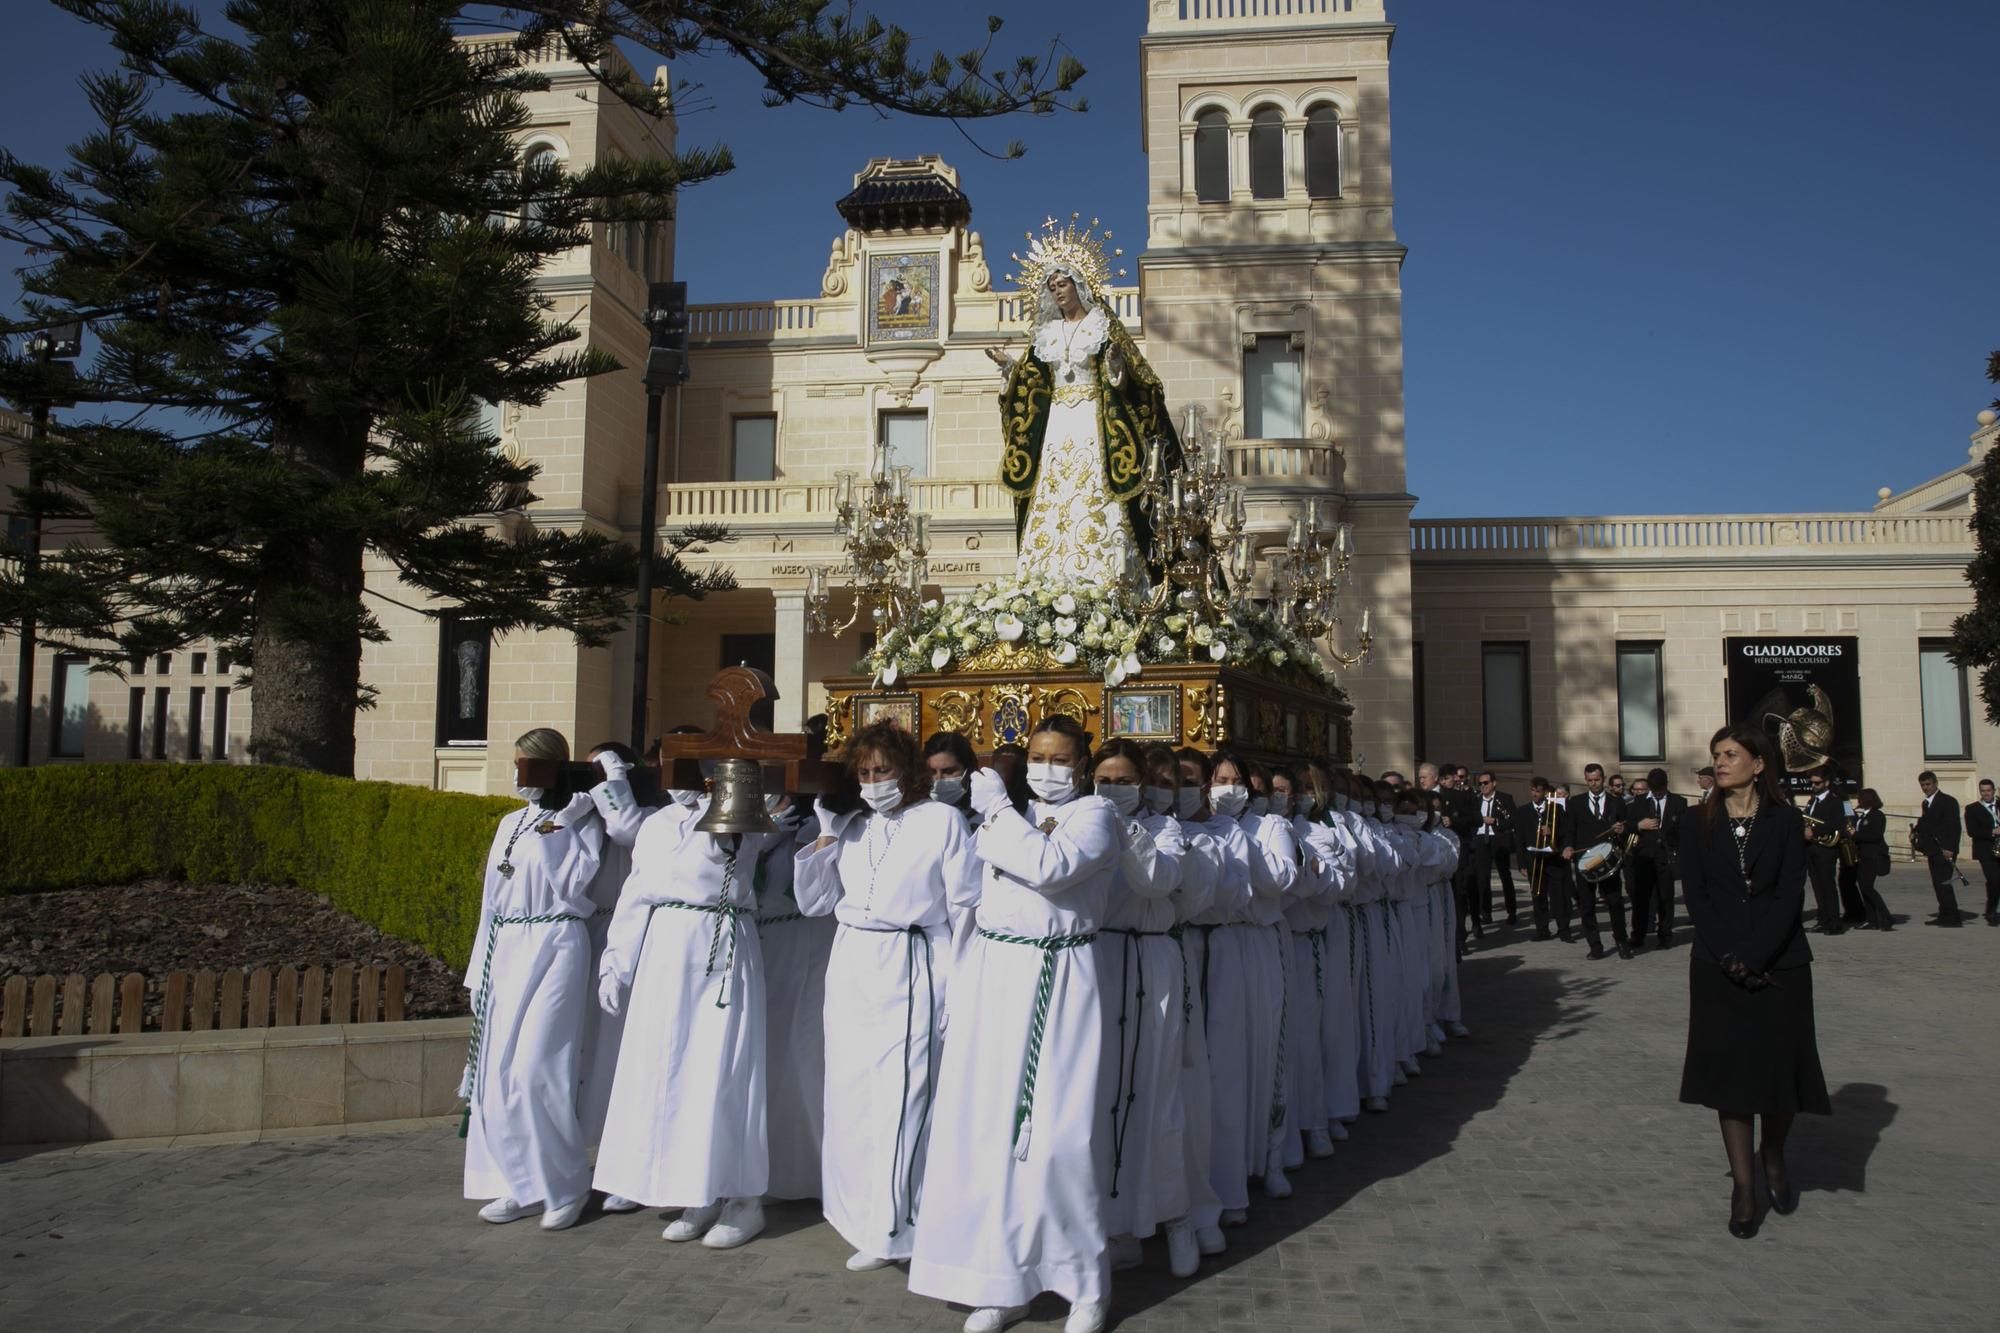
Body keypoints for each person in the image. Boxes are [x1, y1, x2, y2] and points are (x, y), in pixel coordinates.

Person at [908, 715, 1119, 1333]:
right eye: (1036, 756)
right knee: (989, 1130)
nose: (1045, 768)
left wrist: (997, 810)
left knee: (1057, 1135)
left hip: (1058, 974)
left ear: (1080, 764)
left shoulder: (1095, 816)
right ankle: (1001, 1278)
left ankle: (1083, 1282)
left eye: (1059, 758)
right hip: (996, 969)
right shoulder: (1008, 817)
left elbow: (1050, 868)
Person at [794, 721, 979, 1272]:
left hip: (913, 959)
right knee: (852, 1094)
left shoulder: (941, 820)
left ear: (908, 770)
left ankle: (900, 1223)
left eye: (885, 769)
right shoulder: (852, 827)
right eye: (866, 772)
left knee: (906, 1093)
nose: (875, 780)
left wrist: (958, 985)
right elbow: (814, 902)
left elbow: (965, 905)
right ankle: (859, 1213)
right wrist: (825, 838)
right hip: (853, 962)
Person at [593, 759, 776, 1248]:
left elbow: (737, 841)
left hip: (719, 944)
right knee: (669, 1070)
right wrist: (618, 961)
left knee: (722, 1070)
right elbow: (636, 893)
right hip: (665, 952)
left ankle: (742, 1196)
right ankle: (697, 1191)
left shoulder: (734, 814)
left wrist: (725, 789)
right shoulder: (656, 825)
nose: (679, 787)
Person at [1679, 723, 1831, 1239]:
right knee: (1732, 1077)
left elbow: (1791, 895)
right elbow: (1697, 897)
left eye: (1730, 754)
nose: (1720, 763)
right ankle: (1744, 1188)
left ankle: (1774, 1152)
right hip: (1716, 965)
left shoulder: (1787, 821)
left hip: (1780, 963)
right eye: (1715, 754)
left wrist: (1757, 954)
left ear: (1758, 764)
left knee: (1779, 1074)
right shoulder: (1694, 820)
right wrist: (1728, 954)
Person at [462, 728, 604, 1231]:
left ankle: (564, 1184)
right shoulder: (509, 823)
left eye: (527, 765)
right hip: (508, 949)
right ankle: (518, 1182)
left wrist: (562, 824)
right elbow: (490, 903)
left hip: (557, 942)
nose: (519, 774)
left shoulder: (581, 820)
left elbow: (570, 884)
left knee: (536, 1070)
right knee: (497, 1078)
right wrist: (478, 972)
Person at [986, 246, 1181, 585]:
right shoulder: (1045, 336)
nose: (1058, 291)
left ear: (1079, 284)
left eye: (1063, 284)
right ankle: (1047, 577)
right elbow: (1033, 383)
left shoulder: (1102, 327)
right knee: (1053, 493)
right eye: (1052, 287)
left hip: (1094, 422)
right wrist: (1009, 369)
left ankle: (1106, 572)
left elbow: (1137, 379)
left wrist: (1117, 366)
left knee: (1096, 490)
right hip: (1057, 425)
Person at [1086, 739, 1193, 1278]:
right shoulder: (1077, 822)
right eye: (1104, 780)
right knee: (1100, 1093)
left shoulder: (1162, 829)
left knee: (1153, 1088)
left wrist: (1122, 827)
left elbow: (1158, 881)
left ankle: (1170, 1214)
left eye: (1125, 781)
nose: (1113, 790)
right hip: (1095, 959)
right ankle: (1106, 1221)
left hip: (1149, 957)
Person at [577, 742, 650, 1215]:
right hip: (579, 937)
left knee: (617, 1057)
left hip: (623, 936)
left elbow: (625, 830)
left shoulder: (646, 817)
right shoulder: (576, 815)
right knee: (583, 1057)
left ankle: (625, 1161)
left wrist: (616, 781)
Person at [752, 790, 828, 1203]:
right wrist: (763, 834)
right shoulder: (755, 818)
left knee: (798, 1053)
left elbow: (807, 890)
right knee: (765, 1057)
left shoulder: (811, 822)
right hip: (760, 940)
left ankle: (806, 1169)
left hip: (801, 939)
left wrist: (797, 838)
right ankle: (766, 1163)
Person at [1560, 763, 1631, 959]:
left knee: (1615, 901)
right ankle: (1595, 946)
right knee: (1587, 904)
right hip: (1585, 860)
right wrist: (1567, 846)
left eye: (1597, 780)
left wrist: (1621, 830)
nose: (1593, 784)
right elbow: (1569, 830)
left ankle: (1621, 941)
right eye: (1590, 780)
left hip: (1609, 859)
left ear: (1603, 778)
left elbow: (1626, 827)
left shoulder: (1617, 802)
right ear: (1586, 780)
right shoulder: (1575, 803)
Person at [1628, 767, 1684, 948]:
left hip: (1666, 856)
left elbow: (1683, 831)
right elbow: (1625, 825)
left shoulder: (1678, 802)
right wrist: (1639, 825)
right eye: (1654, 790)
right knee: (1641, 897)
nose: (1657, 793)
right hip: (1644, 856)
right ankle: (1638, 934)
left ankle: (1665, 934)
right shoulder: (1638, 802)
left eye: (1660, 790)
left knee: (1666, 897)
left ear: (1666, 786)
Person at [1911, 771, 1965, 926]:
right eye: (1922, 785)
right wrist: (1915, 832)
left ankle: (1953, 917)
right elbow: (1926, 822)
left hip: (1944, 849)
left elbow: (1954, 827)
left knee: (1944, 883)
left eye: (1928, 784)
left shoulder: (1948, 801)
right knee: (1937, 883)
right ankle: (1944, 914)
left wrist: (1950, 848)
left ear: (1935, 783)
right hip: (1932, 849)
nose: (1925, 788)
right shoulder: (1926, 803)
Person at [1513, 777, 1564, 941]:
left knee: (1558, 897)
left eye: (1538, 791)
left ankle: (1564, 929)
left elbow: (1565, 833)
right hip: (1533, 859)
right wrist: (1521, 863)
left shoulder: (1555, 809)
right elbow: (1519, 839)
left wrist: (1552, 834)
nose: (1534, 794)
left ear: (1545, 792)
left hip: (1553, 858)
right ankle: (1542, 930)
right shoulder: (1522, 811)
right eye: (1532, 790)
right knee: (1538, 896)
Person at [1466, 771, 1517, 933]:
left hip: (1498, 839)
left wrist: (1495, 821)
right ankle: (1485, 912)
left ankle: (1512, 911)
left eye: (1486, 783)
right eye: (1480, 783)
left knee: (1505, 876)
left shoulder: (1505, 798)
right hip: (1481, 840)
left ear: (1494, 783)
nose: (1483, 786)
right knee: (1482, 877)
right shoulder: (1476, 799)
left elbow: (1513, 820)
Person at [1800, 770, 1847, 935]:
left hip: (1825, 849)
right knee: (1817, 886)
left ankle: (1834, 922)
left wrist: (1814, 831)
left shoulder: (1834, 801)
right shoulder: (1812, 801)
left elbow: (1836, 823)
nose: (1813, 786)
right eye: (1812, 783)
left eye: (1817, 783)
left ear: (1826, 783)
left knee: (1827, 885)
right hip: (1811, 848)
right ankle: (1823, 919)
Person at [1848, 788, 1896, 931]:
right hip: (1863, 856)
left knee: (1868, 887)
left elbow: (1875, 836)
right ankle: (1871, 920)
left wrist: (1855, 835)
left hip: (1873, 856)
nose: (1858, 801)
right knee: (1863, 887)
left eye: (1860, 799)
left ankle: (1886, 916)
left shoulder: (1877, 815)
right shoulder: (1863, 816)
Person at [924, 730, 980, 825]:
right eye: (932, 772)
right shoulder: (917, 815)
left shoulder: (986, 817)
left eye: (948, 772)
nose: (938, 779)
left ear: (968, 771)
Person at [1965, 777, 2000, 924]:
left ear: (1994, 791)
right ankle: (1991, 910)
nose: (1986, 793)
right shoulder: (1972, 809)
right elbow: (1972, 831)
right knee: (1994, 881)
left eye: (1988, 790)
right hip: (1986, 850)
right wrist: (1993, 832)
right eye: (1983, 791)